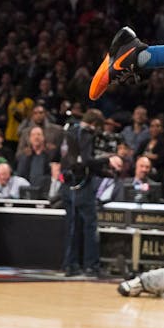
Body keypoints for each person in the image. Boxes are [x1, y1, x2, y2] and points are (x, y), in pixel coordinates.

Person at [60, 109, 113, 277]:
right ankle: (91, 266)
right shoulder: (86, 134)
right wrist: (108, 159)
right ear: (95, 125)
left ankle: (70, 264)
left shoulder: (68, 131)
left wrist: (104, 173)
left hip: (67, 185)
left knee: (72, 226)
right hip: (82, 186)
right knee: (90, 227)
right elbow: (87, 160)